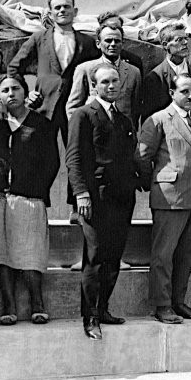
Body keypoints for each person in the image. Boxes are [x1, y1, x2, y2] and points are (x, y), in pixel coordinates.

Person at [0, 76, 59, 325]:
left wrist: (36, 190)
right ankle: (9, 305)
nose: (10, 93)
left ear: (25, 92)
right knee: (2, 253)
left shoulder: (41, 124)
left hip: (29, 199)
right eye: (4, 90)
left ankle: (37, 302)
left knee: (31, 252)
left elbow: (51, 163)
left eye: (15, 88)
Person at [67, 65, 139, 340]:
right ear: (94, 85)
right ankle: (90, 317)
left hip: (122, 197)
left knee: (114, 256)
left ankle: (104, 307)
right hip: (95, 198)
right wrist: (81, 193)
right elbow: (73, 159)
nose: (111, 86)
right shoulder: (83, 116)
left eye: (115, 81)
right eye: (105, 82)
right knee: (95, 256)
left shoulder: (123, 120)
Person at [137, 75, 191, 324]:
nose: (190, 96)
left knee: (187, 255)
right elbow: (142, 156)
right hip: (170, 197)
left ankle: (179, 301)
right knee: (163, 254)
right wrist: (161, 180)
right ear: (172, 92)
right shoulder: (158, 120)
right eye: (184, 91)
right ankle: (162, 304)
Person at [7, 0, 99, 142]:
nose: (62, 10)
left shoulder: (87, 42)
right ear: (50, 14)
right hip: (43, 106)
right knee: (46, 158)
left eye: (66, 7)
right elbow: (14, 68)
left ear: (74, 11)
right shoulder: (39, 38)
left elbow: (96, 71)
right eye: (57, 8)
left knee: (77, 154)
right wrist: (26, 94)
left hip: (74, 106)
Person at [67, 24, 143, 126]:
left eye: (117, 41)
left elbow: (135, 108)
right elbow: (73, 106)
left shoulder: (133, 72)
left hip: (121, 134)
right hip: (93, 133)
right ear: (98, 44)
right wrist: (80, 131)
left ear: (123, 43)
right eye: (108, 40)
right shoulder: (84, 69)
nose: (113, 44)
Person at [141, 22, 191, 122]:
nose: (185, 42)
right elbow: (150, 121)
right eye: (179, 40)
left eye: (186, 38)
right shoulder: (154, 79)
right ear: (165, 45)